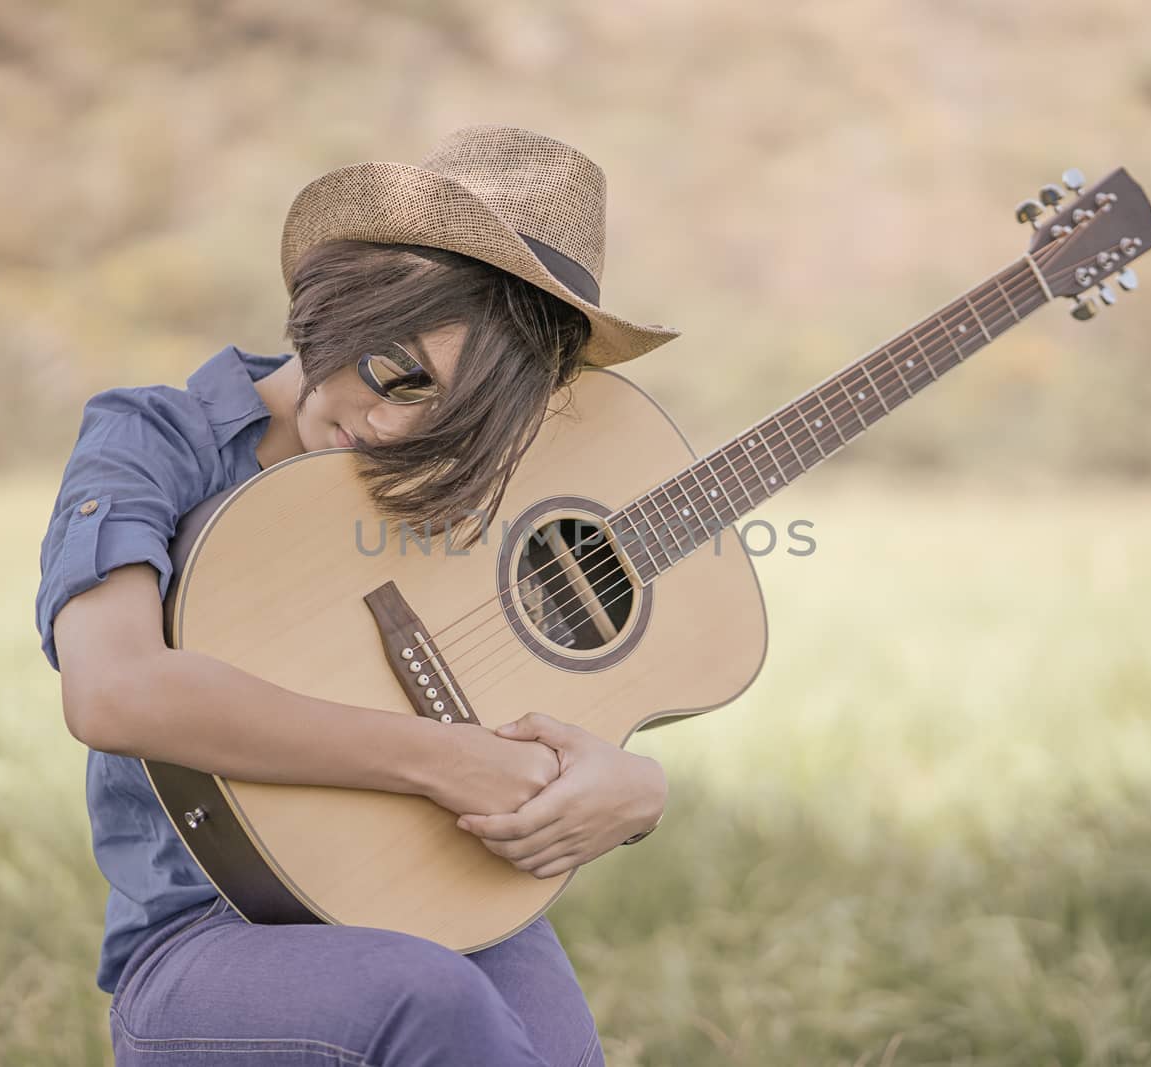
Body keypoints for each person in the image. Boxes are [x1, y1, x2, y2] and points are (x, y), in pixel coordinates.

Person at [34, 125, 679, 1066]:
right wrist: (439, 760)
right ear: (349, 294)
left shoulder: (464, 480)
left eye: (447, 416)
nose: (386, 427)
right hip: (211, 939)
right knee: (430, 1001)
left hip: (452, 898)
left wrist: (638, 787)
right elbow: (114, 690)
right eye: (394, 371)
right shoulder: (152, 441)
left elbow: (545, 692)